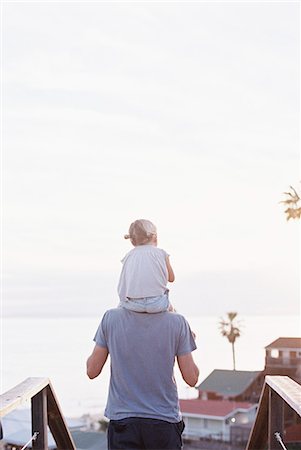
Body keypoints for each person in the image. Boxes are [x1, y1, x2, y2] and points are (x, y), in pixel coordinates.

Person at [87, 307, 199, 449]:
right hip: (163, 422)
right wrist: (187, 341)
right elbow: (192, 378)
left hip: (123, 421)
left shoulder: (111, 318)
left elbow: (92, 370)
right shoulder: (177, 322)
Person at [118, 219, 175, 313]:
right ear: (155, 237)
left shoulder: (128, 256)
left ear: (132, 241)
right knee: (173, 312)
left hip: (133, 305)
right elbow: (171, 278)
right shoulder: (162, 253)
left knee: (119, 308)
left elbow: (123, 284)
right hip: (157, 304)